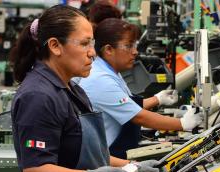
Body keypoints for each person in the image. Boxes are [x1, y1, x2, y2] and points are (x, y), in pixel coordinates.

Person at [10, 5, 160, 172]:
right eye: (84, 44)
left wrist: (133, 167)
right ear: (55, 46)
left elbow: (92, 154)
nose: (93, 52)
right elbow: (35, 171)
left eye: (92, 43)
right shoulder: (38, 96)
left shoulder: (73, 89)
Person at [79, 18, 204, 159]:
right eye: (128, 46)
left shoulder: (109, 71)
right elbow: (138, 116)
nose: (135, 52)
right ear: (109, 50)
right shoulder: (100, 80)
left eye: (135, 46)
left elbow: (126, 105)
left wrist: (158, 99)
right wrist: (182, 124)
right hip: (105, 158)